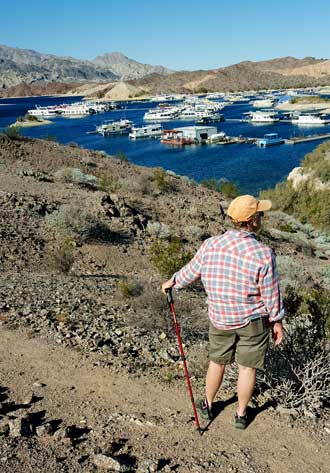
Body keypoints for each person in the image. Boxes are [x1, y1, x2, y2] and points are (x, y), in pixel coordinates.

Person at [161, 195, 284, 429]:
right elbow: (271, 294)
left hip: (219, 317)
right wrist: (277, 321)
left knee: (216, 363)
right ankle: (240, 414)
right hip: (252, 321)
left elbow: (190, 271)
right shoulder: (263, 253)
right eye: (260, 214)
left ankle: (207, 405)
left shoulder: (210, 244)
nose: (262, 217)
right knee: (247, 367)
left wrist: (172, 282)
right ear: (253, 220)